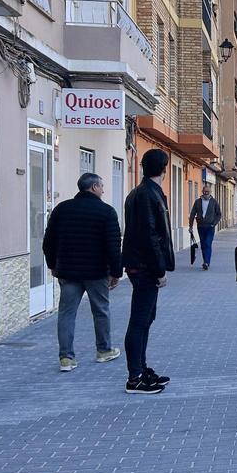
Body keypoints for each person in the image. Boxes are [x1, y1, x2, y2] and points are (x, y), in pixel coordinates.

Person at [42, 172, 122, 372]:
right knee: (101, 311)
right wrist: (116, 272)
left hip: (68, 271)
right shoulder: (106, 212)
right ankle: (104, 350)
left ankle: (66, 358)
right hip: (97, 272)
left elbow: (48, 241)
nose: (103, 190)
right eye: (102, 186)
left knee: (67, 313)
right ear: (94, 187)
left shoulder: (62, 210)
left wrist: (53, 264)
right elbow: (113, 245)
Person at [120, 149, 175, 394]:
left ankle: (141, 368)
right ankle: (135, 377)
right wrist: (159, 269)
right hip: (143, 266)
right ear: (164, 169)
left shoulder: (142, 193)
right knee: (140, 320)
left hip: (140, 264)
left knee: (146, 318)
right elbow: (150, 236)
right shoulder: (147, 195)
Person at [188, 184, 222, 270]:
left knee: (207, 243)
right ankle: (205, 261)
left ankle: (207, 262)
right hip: (201, 226)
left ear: (210, 192)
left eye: (207, 192)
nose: (206, 193)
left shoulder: (214, 202)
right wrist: (190, 226)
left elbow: (219, 214)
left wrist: (214, 223)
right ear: (202, 192)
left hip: (210, 227)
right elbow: (192, 214)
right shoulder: (197, 202)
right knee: (203, 245)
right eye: (204, 192)